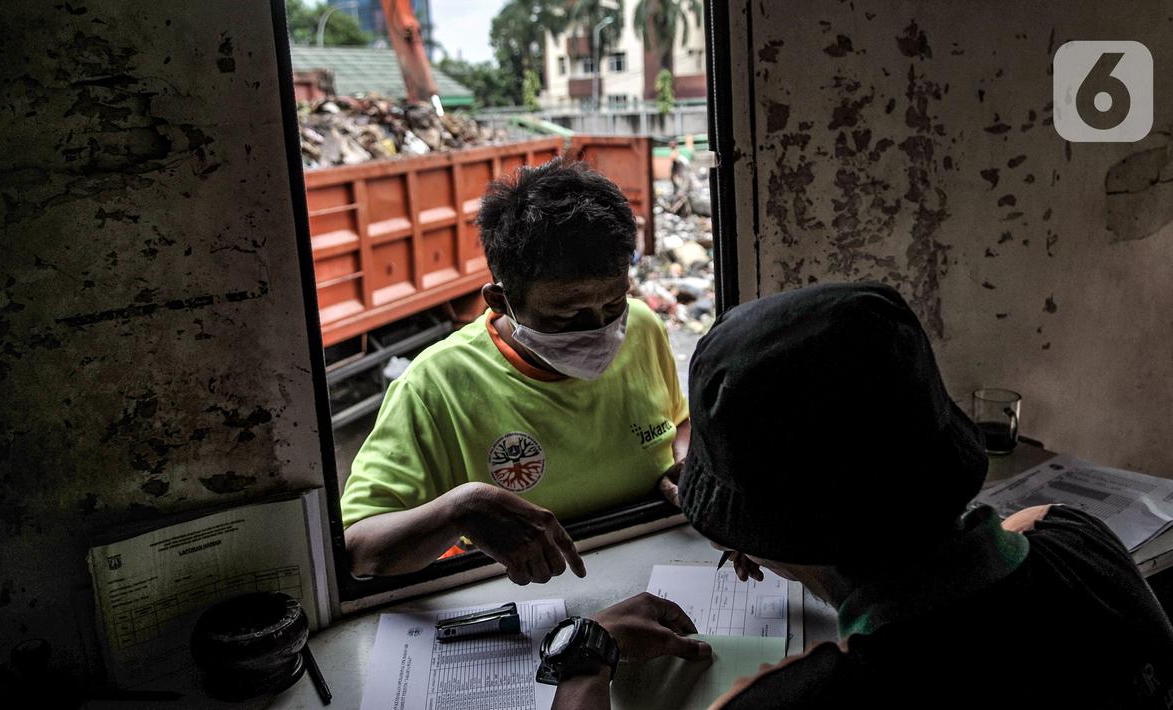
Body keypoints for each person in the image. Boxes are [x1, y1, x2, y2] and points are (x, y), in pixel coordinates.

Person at [549, 282, 1173, 708]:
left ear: (756, 534)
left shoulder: (794, 701)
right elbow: (1022, 528)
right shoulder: (1087, 550)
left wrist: (586, 655)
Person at [341, 159, 690, 585]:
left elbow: (678, 422)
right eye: (566, 317)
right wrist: (460, 509)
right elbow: (358, 549)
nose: (599, 330)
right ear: (500, 301)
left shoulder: (643, 328)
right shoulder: (436, 386)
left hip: (659, 566)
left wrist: (685, 460)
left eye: (612, 305)